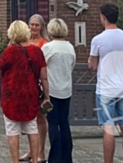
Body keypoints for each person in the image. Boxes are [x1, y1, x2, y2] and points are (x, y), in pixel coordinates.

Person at [0, 20, 51, 163]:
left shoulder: (10, 51)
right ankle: (35, 159)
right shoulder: (37, 51)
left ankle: (15, 161)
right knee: (32, 129)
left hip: (11, 96)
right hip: (31, 96)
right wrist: (46, 96)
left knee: (13, 131)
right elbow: (44, 77)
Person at [88, 3, 123, 163]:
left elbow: (93, 66)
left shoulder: (98, 40)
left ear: (104, 18)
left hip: (106, 89)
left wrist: (91, 62)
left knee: (108, 127)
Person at [42, 19, 76, 163]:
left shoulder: (48, 48)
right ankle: (67, 156)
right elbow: (72, 66)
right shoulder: (70, 48)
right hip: (66, 90)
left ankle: (55, 157)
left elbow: (42, 68)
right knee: (64, 123)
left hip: (51, 90)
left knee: (53, 123)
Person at [21, 14, 51, 162]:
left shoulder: (44, 44)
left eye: (36, 25)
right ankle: (31, 150)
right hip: (26, 86)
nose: (33, 27)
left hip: (38, 85)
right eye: (31, 24)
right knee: (29, 120)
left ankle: (41, 152)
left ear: (41, 27)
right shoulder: (25, 43)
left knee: (40, 118)